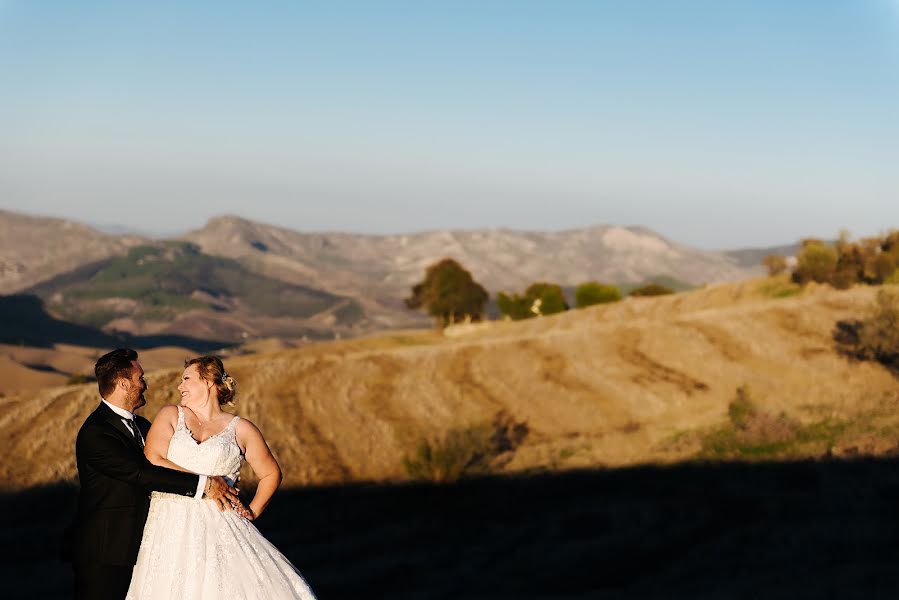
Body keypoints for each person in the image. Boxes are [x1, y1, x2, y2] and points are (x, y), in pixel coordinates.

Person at [126, 355, 316, 599]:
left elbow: (271, 473)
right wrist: (206, 481)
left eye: (186, 379)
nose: (179, 386)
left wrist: (253, 511)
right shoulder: (171, 415)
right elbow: (153, 459)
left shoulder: (240, 428)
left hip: (221, 527)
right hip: (169, 525)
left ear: (208, 381)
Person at [65, 348, 243, 600]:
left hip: (148, 546)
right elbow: (142, 473)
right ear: (124, 384)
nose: (146, 385)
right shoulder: (96, 433)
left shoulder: (144, 426)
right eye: (141, 378)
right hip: (106, 551)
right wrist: (205, 484)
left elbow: (174, 462)